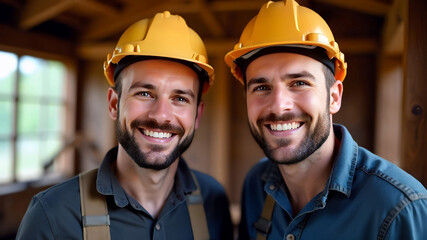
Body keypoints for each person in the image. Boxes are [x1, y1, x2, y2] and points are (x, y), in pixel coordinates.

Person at [17, 11, 233, 240]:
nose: (161, 115)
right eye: (144, 93)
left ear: (197, 115)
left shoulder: (213, 201)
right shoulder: (52, 216)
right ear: (114, 104)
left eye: (180, 99)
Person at [224, 0, 427, 239]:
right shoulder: (256, 186)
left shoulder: (399, 209)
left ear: (334, 97)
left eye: (299, 83)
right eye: (261, 87)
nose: (279, 105)